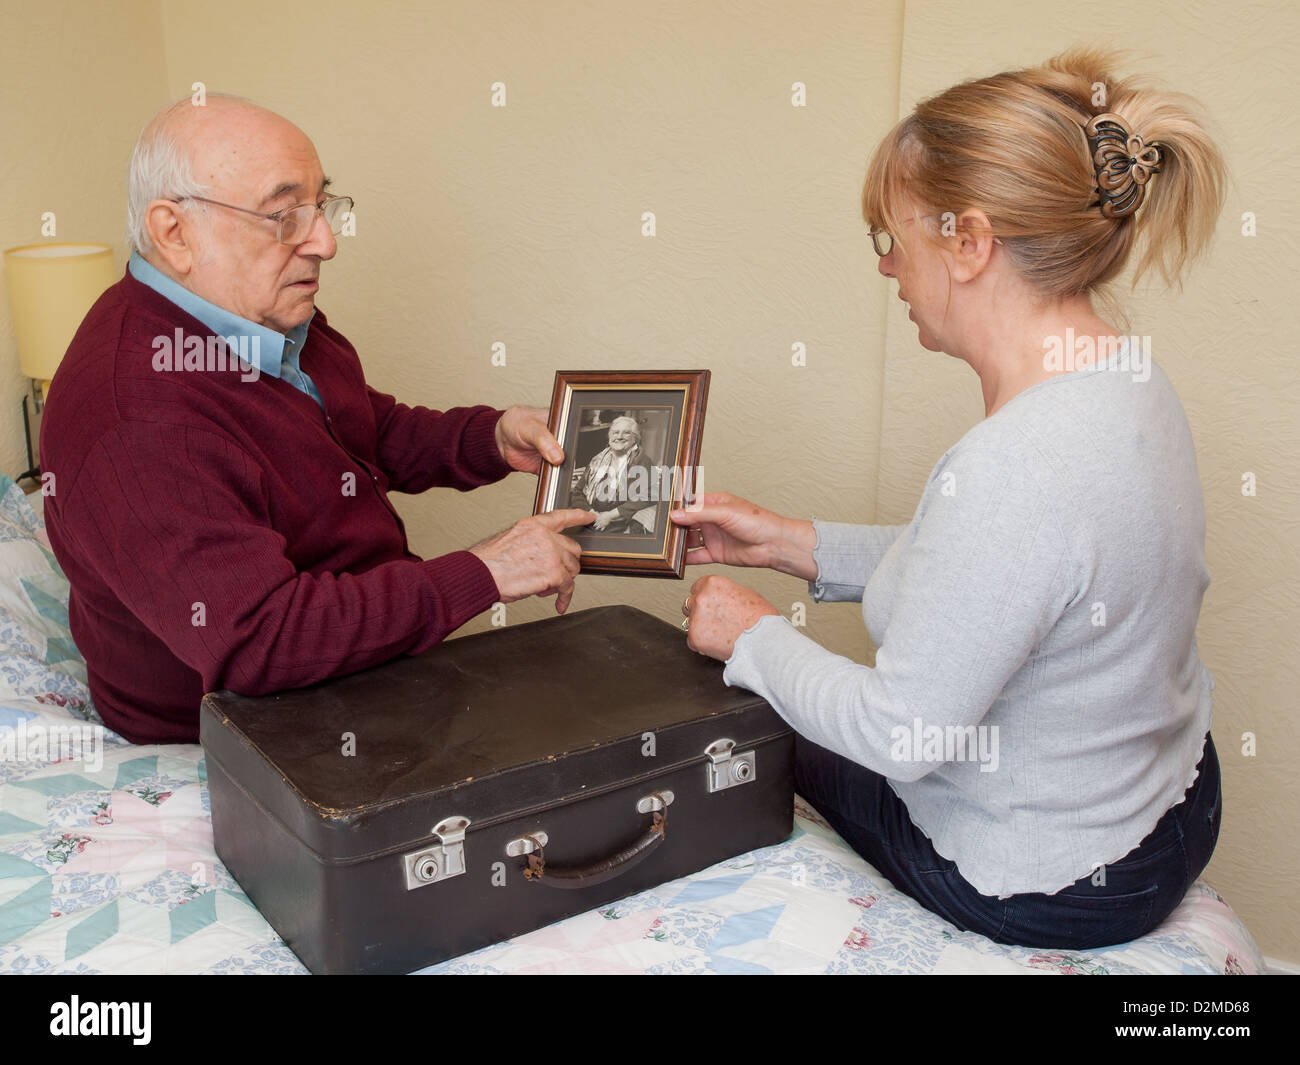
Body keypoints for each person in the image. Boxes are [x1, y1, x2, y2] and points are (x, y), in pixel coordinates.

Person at [670, 48, 1226, 949]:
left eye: (893, 238)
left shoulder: (1016, 464)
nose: (888, 269)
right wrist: (784, 543)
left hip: (1058, 880)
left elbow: (904, 735)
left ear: (969, 243)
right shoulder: (1129, 377)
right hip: (1176, 806)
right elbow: (1007, 570)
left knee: (733, 700)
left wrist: (753, 636)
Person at [39, 95, 593, 745]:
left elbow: (357, 426)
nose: (324, 242)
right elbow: (261, 642)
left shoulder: (254, 308)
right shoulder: (135, 418)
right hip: (249, 726)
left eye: (321, 206)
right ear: (173, 233)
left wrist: (487, 437)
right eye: (283, 216)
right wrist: (485, 571)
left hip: (361, 670)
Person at [568, 415, 657, 534]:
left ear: (635, 438)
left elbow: (649, 496)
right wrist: (592, 514)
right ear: (609, 436)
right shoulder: (597, 460)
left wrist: (610, 516)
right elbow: (577, 492)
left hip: (620, 524)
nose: (619, 437)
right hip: (590, 519)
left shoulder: (643, 461)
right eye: (615, 432)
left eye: (626, 433)